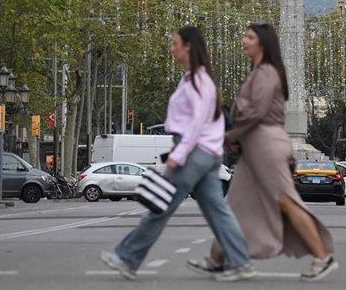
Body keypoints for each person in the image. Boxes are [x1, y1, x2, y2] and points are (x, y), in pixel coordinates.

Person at [102, 26, 254, 281]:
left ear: (188, 47)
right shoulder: (192, 78)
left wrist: (178, 154)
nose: (172, 48)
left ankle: (127, 257)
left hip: (195, 151)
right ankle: (240, 262)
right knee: (217, 209)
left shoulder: (198, 81)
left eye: (175, 43)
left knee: (160, 205)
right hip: (204, 152)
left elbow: (196, 123)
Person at [188, 22, 338, 281]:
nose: (244, 40)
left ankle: (322, 256)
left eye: (249, 36)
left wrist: (228, 136)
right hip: (252, 146)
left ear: (263, 43)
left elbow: (256, 112)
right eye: (244, 35)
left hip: (266, 145)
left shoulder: (268, 73)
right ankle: (218, 258)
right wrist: (235, 137)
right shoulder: (258, 72)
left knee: (284, 200)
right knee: (236, 203)